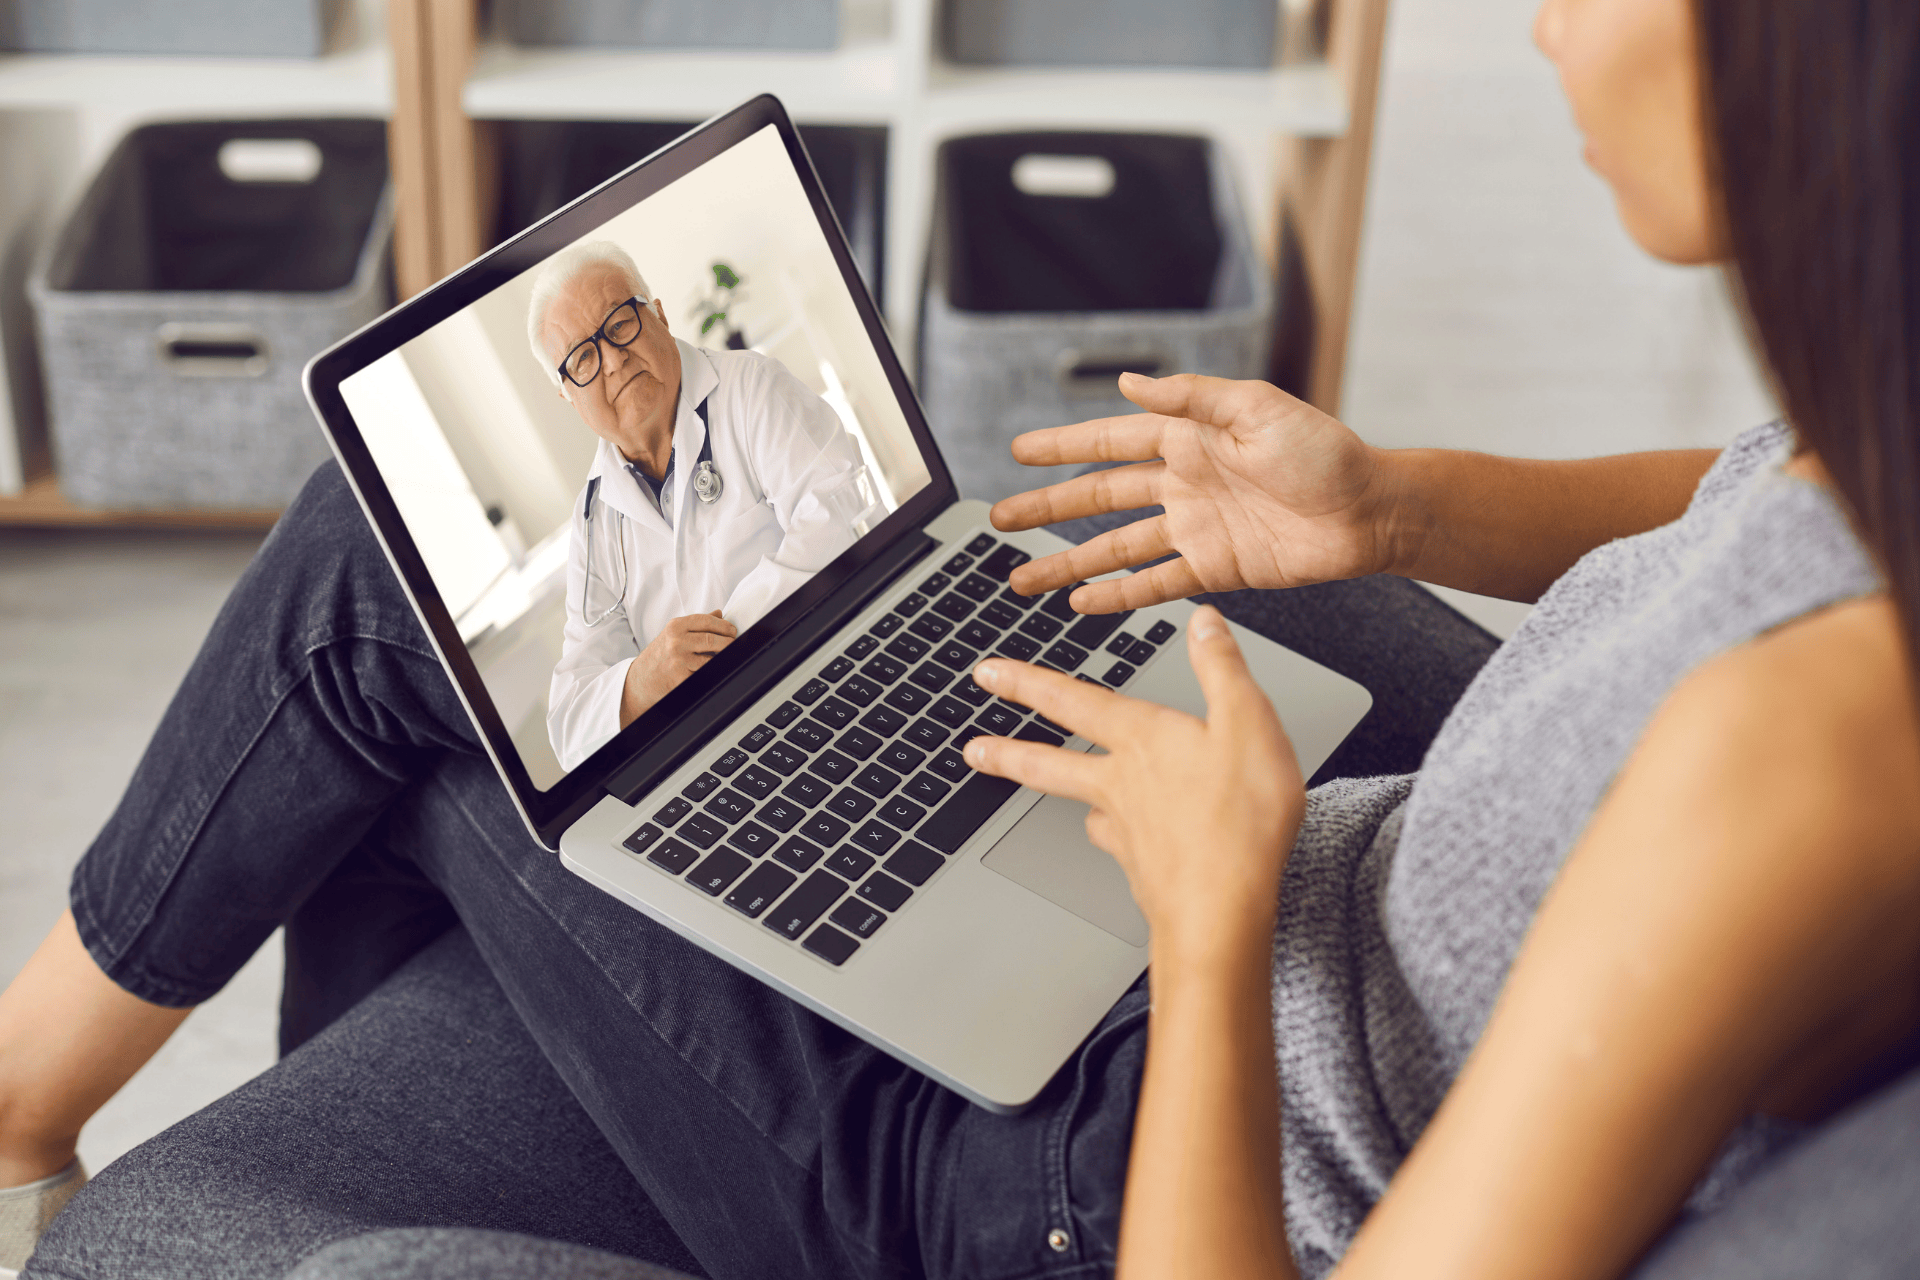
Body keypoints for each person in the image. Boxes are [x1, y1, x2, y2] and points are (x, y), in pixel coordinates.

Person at [3, 0, 1920, 1277]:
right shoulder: (1882, 466)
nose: (1549, 25)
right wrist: (1399, 509)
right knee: (507, 717)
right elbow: (1762, 486)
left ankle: (23, 1120)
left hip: (1087, 1168)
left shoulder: (1795, 759)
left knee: (386, 605)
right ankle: (325, 1125)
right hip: (1233, 947)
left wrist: (1213, 912)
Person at [530, 241, 870, 770]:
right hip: (717, 758)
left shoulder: (752, 389)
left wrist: (704, 658)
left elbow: (842, 521)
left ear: (658, 315)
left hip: (829, 677)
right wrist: (642, 681)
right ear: (568, 395)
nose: (614, 360)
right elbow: (571, 728)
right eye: (584, 358)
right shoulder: (593, 521)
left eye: (620, 324)